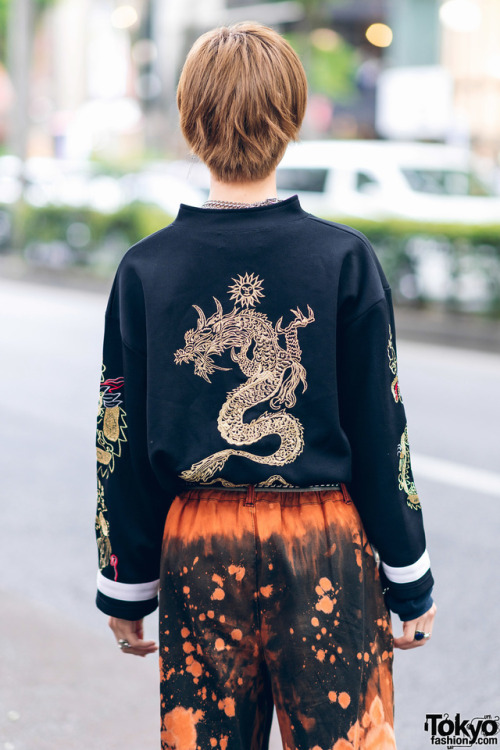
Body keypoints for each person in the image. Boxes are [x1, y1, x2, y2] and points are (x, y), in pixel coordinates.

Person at [95, 21, 436, 750]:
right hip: (325, 544)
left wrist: (127, 582)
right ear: (293, 120)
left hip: (199, 541)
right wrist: (409, 575)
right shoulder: (343, 260)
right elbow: (383, 431)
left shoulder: (145, 271)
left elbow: (119, 439)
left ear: (190, 123)